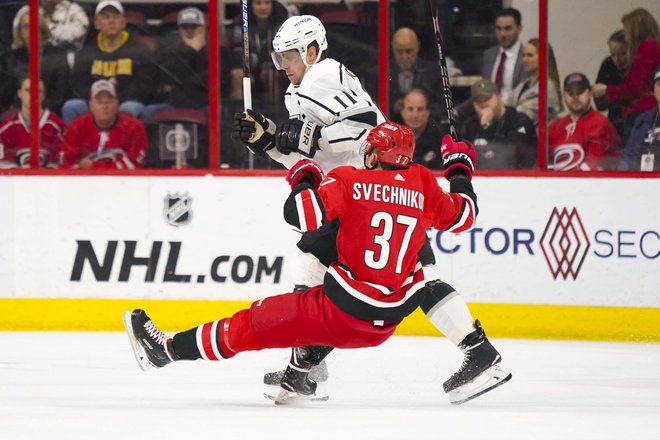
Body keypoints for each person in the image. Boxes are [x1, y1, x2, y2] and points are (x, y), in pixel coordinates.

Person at [124, 121, 512, 405]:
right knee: (421, 273)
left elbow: (301, 216)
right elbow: (463, 217)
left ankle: (168, 350)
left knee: (251, 324)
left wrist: (303, 178)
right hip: (388, 321)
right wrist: (460, 169)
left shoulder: (350, 178)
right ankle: (302, 369)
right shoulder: (424, 181)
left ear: (375, 154)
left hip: (341, 312)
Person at [232, 15, 505, 403]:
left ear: (312, 51)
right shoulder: (298, 91)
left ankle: (306, 364)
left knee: (404, 271)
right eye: (279, 59)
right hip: (362, 194)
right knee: (401, 270)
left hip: (374, 190)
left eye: (290, 56)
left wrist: (303, 136)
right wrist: (269, 143)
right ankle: (307, 364)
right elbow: (311, 160)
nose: (285, 66)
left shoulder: (323, 74)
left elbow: (362, 128)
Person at [62, 0, 157, 124]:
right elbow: (78, 83)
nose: (111, 21)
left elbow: (145, 84)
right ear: (96, 23)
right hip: (94, 101)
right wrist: (96, 103)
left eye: (116, 17)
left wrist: (115, 101)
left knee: (129, 108)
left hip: (126, 102)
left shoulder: (139, 49)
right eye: (106, 17)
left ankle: (123, 143)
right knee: (72, 106)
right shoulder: (86, 51)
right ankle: (74, 143)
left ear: (123, 22)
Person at [592, 8, 660, 144]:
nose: (626, 36)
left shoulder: (647, 47)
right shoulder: (655, 45)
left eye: (627, 31)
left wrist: (605, 90)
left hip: (643, 112)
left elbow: (635, 89)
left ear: (635, 30)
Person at [141, 7, 214, 120]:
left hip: (206, 102)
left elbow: (213, 79)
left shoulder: (218, 50)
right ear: (179, 29)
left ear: (203, 27)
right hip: (176, 103)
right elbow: (169, 77)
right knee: (149, 111)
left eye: (194, 26)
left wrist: (186, 82)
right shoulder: (172, 51)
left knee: (216, 112)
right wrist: (189, 51)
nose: (189, 31)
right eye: (185, 27)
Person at [61, 79, 146, 169]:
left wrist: (95, 166)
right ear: (91, 105)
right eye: (99, 102)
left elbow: (135, 164)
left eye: (109, 102)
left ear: (117, 104)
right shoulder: (76, 127)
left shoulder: (134, 127)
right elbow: (66, 164)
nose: (104, 106)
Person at [0, 6, 70, 115]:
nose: (31, 30)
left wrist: (40, 110)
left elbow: (60, 93)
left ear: (42, 30)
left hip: (48, 111)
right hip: (16, 112)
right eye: (26, 27)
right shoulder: (9, 59)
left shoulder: (58, 55)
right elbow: (4, 95)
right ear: (20, 31)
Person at [457, 78, 536, 169]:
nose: (483, 104)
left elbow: (508, 156)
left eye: (487, 98)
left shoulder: (519, 121)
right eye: (478, 101)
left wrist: (487, 127)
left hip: (515, 178)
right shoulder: (470, 125)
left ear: (498, 97)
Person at [228, 0, 289, 117]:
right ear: (251, 5)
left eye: (267, 3)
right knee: (237, 75)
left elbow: (282, 51)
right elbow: (237, 51)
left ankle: (275, 116)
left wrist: (263, 62)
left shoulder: (281, 22)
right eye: (258, 3)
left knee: (271, 74)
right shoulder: (240, 23)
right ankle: (238, 116)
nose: (263, 7)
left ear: (272, 5)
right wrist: (249, 68)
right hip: (248, 67)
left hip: (273, 67)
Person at [549, 73, 620, 171]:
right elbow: (542, 167)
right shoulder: (554, 128)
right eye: (570, 92)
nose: (575, 96)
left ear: (590, 93)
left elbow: (592, 166)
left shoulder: (601, 124)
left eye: (580, 92)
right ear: (563, 95)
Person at [0, 77, 65, 168]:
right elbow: (5, 166)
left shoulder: (57, 126)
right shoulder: (6, 129)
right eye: (28, 90)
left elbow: (58, 164)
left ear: (43, 96)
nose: (33, 95)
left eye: (38, 91)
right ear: (20, 93)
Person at [389, 27, 446, 119]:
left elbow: (443, 107)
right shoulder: (380, 72)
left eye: (409, 51)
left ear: (418, 47)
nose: (404, 57)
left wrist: (422, 109)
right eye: (400, 52)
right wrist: (392, 106)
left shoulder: (433, 72)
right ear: (392, 48)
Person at [482, 8, 527, 106]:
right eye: (498, 28)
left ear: (519, 29)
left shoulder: (527, 56)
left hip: (516, 114)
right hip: (489, 114)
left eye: (508, 28)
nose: (502, 34)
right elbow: (483, 91)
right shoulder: (488, 55)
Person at [512, 38, 562, 127]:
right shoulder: (523, 84)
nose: (525, 60)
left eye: (530, 55)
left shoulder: (548, 86)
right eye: (523, 55)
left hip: (540, 137)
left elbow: (525, 114)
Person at [619, 68, 660, 171]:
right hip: (640, 182)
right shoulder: (642, 119)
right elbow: (627, 156)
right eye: (659, 84)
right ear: (653, 90)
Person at [399, 88, 446, 169]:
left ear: (427, 112)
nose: (415, 115)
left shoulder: (441, 138)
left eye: (420, 109)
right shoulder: (393, 138)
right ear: (402, 112)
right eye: (410, 109)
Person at [594, 30, 628, 140]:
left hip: (640, 121)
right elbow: (599, 103)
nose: (617, 60)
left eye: (622, 54)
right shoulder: (608, 64)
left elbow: (638, 94)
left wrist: (609, 92)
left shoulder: (639, 65)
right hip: (615, 121)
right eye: (613, 55)